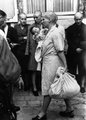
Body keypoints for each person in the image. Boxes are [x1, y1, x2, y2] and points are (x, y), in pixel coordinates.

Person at [32, 11, 74, 120]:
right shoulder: (49, 31)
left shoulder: (55, 32)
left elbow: (60, 50)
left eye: (44, 19)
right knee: (60, 84)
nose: (42, 21)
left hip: (52, 62)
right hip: (50, 61)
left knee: (48, 86)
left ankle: (42, 113)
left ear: (49, 20)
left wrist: (65, 65)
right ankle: (69, 109)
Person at [0, 9, 21, 112]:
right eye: (2, 19)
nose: (4, 21)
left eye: (4, 19)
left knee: (8, 85)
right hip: (2, 61)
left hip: (8, 59)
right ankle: (6, 107)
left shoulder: (8, 31)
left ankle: (10, 104)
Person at [65, 12, 86, 93]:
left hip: (83, 52)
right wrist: (75, 48)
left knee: (83, 69)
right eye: (76, 19)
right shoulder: (70, 28)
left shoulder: (85, 28)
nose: (78, 21)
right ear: (74, 19)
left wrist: (81, 48)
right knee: (72, 69)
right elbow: (69, 40)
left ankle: (82, 85)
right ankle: (73, 86)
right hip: (73, 52)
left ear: (82, 19)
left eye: (79, 19)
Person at [25, 10, 42, 96]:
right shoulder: (31, 27)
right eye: (34, 17)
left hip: (43, 51)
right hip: (34, 51)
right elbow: (28, 40)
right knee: (33, 70)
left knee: (43, 70)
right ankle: (34, 87)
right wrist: (27, 51)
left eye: (37, 17)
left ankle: (42, 86)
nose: (35, 19)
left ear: (41, 17)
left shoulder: (44, 26)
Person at [14, 13, 29, 91]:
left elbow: (30, 38)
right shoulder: (16, 27)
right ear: (19, 19)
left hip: (26, 50)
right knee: (19, 67)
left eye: (25, 19)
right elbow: (16, 38)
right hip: (18, 50)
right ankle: (20, 85)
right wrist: (24, 37)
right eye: (22, 19)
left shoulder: (29, 26)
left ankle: (27, 85)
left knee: (26, 67)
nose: (24, 20)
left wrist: (24, 38)